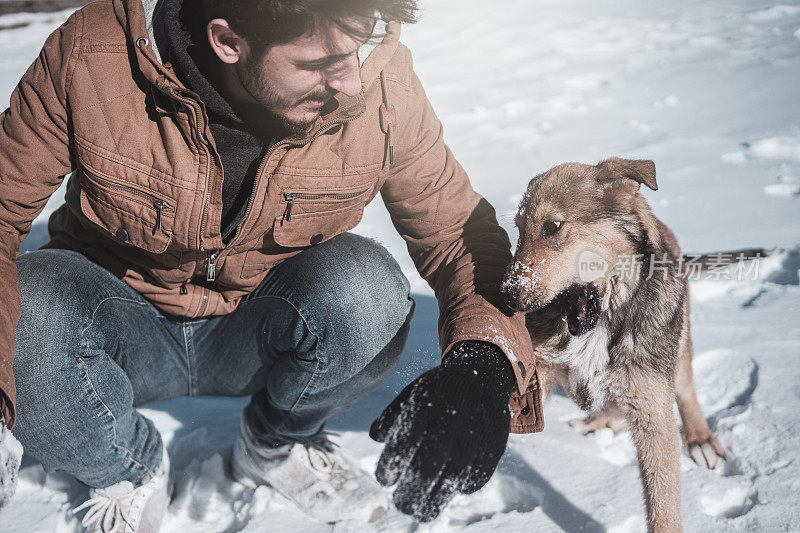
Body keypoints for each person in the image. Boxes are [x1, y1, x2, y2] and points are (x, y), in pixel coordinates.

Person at [0, 0, 544, 529]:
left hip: (261, 328)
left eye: (355, 50)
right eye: (319, 63)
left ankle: (274, 443)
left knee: (368, 291)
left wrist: (486, 365)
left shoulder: (380, 83)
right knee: (33, 312)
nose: (350, 82)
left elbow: (452, 229)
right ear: (227, 42)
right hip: (116, 329)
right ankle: (125, 469)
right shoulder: (94, 55)